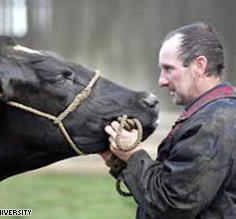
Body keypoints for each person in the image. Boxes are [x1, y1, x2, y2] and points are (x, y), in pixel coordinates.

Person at [100, 22, 236, 218]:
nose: (161, 81)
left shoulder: (214, 121)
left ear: (199, 65)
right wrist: (122, 162)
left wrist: (133, 155)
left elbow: (174, 205)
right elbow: (178, 186)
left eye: (168, 69)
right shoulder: (218, 112)